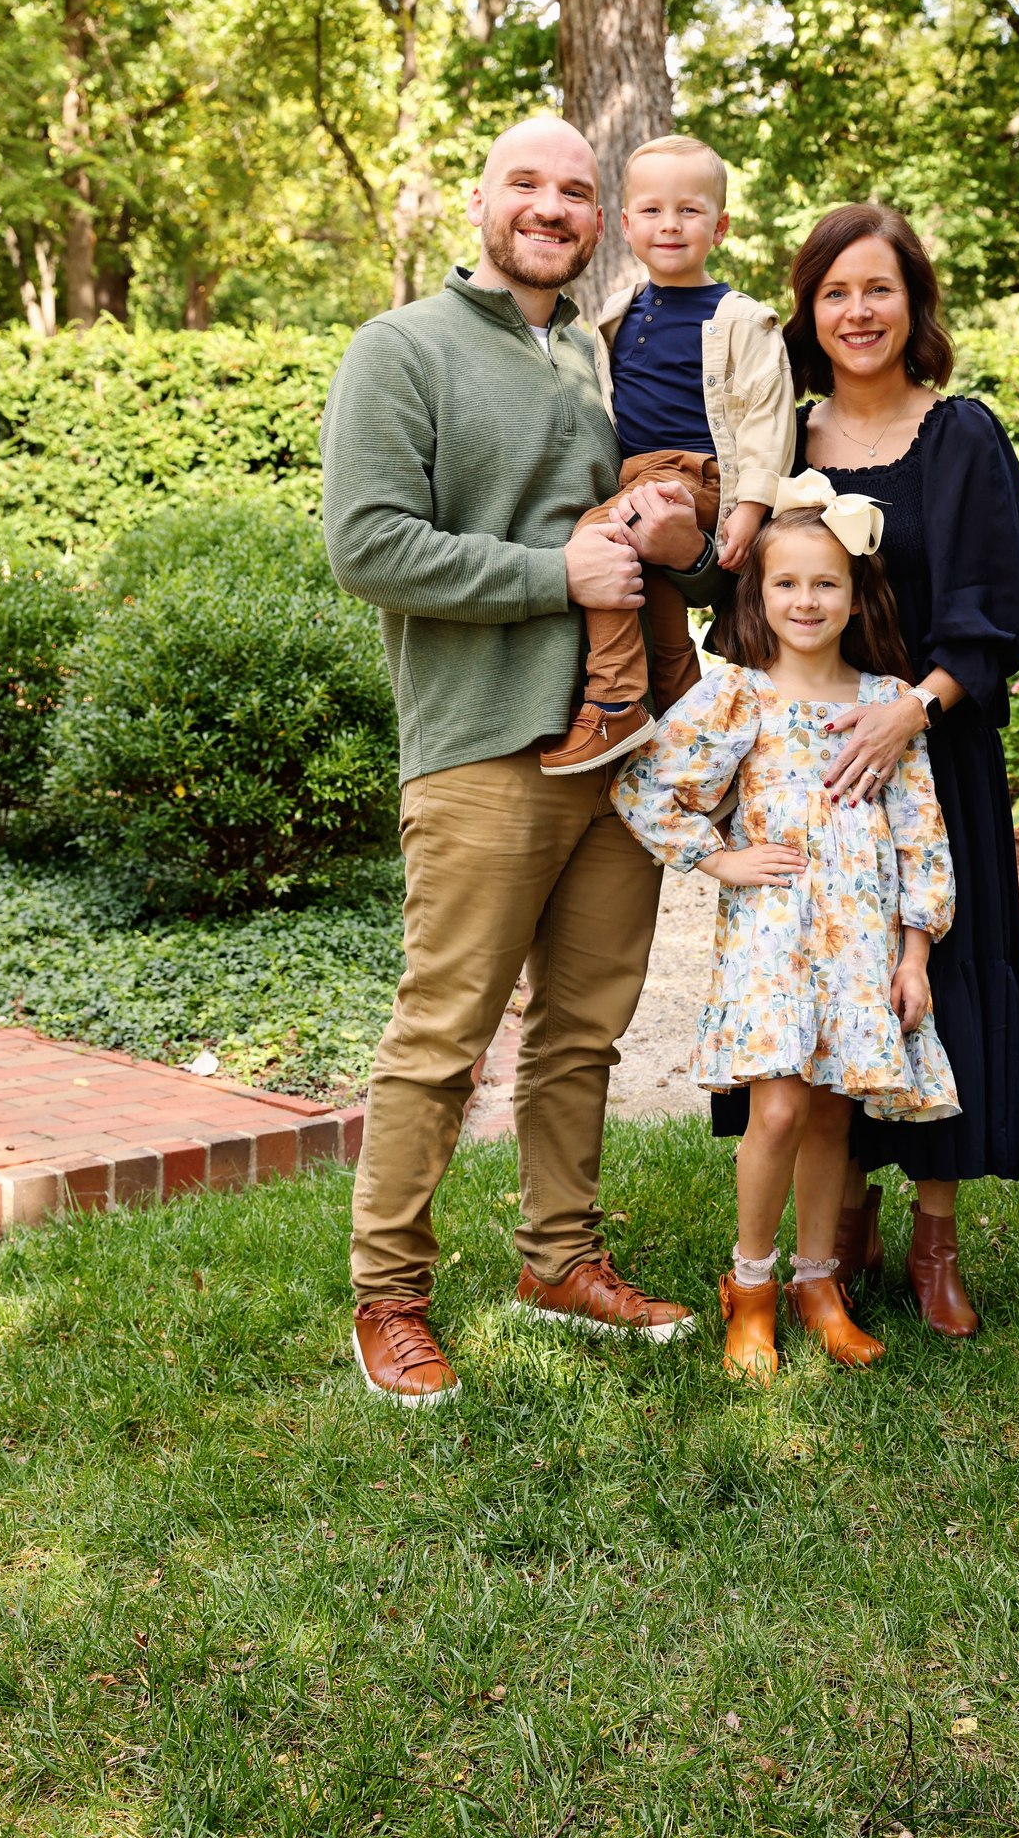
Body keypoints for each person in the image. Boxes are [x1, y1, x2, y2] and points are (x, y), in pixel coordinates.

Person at [322, 116, 723, 1408]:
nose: (551, 207)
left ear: (597, 218)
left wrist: (667, 539)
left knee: (581, 1033)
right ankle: (388, 1300)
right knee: (442, 1036)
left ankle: (560, 1260)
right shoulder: (402, 351)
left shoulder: (595, 365)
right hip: (484, 744)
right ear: (478, 201)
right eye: (526, 185)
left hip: (617, 754)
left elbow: (655, 540)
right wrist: (549, 574)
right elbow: (368, 544)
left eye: (575, 192)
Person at [710, 203, 1019, 1340]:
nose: (858, 312)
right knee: (818, 1001)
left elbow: (1001, 612)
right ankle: (830, 1231)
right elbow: (743, 607)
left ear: (915, 306)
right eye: (835, 292)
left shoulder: (962, 437)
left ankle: (935, 1241)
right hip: (807, 779)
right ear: (808, 310)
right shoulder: (784, 445)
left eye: (879, 289)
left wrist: (911, 707)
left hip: (931, 752)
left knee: (931, 989)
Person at [613, 491, 958, 1383]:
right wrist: (718, 859)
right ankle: (751, 1285)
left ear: (856, 596)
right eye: (786, 585)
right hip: (773, 937)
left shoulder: (886, 705)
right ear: (757, 597)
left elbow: (922, 835)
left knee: (833, 1113)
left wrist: (914, 953)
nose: (806, 602)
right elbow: (646, 787)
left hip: (861, 944)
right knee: (775, 1109)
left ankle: (818, 1285)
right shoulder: (739, 695)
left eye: (826, 584)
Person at [537, 134, 794, 775]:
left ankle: (616, 699)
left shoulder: (741, 319)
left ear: (721, 225)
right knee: (658, 607)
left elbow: (768, 414)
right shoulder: (619, 313)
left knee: (597, 538)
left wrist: (751, 508)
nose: (670, 224)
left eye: (690, 210)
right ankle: (695, 745)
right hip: (638, 475)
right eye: (651, 210)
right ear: (624, 225)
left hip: (694, 476)